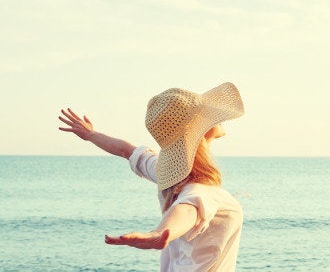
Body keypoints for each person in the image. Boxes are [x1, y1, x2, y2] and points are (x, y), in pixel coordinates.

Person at [58, 82, 245, 272]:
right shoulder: (201, 191)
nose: (215, 116)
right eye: (206, 114)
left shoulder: (168, 176)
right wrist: (159, 233)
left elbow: (126, 151)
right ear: (200, 129)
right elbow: (187, 210)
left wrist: (90, 134)